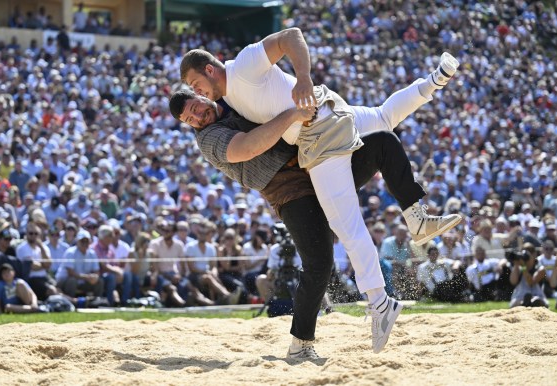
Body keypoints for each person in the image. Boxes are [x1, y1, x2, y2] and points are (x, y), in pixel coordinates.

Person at [170, 38, 462, 357]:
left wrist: (303, 84)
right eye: (190, 119)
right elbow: (248, 147)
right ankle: (302, 343)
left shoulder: (232, 83)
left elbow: (287, 39)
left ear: (207, 79)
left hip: (319, 152)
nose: (198, 115)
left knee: (383, 138)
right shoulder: (208, 137)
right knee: (320, 262)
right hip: (290, 189)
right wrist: (295, 112)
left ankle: (415, 215)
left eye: (197, 103)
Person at [55, 230, 104, 299]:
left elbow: (96, 271)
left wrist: (94, 277)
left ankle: (97, 302)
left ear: (90, 242)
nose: (84, 243)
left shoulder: (92, 253)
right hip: (64, 281)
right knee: (72, 281)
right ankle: (70, 303)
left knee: (99, 281)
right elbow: (70, 273)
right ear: (77, 241)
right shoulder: (70, 252)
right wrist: (87, 277)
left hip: (83, 281)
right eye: (82, 241)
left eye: (86, 241)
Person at [509, 243, 549, 308]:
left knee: (537, 300)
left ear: (534, 254)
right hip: (520, 296)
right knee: (516, 302)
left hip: (537, 295)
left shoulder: (540, 268)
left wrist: (524, 267)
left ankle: (527, 304)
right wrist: (516, 264)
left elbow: (531, 283)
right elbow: (513, 281)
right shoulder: (519, 267)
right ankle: (525, 303)